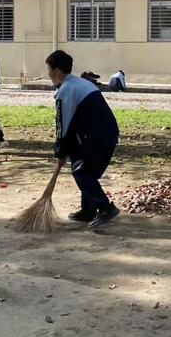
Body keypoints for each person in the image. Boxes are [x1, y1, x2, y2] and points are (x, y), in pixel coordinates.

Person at [46, 50, 120, 228]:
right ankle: (88, 210)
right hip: (104, 134)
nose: (48, 74)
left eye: (48, 70)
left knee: (81, 171)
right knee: (87, 171)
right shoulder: (80, 83)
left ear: (56, 71)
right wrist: (66, 151)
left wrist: (60, 152)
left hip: (96, 137)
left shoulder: (66, 90)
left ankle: (106, 209)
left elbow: (62, 125)